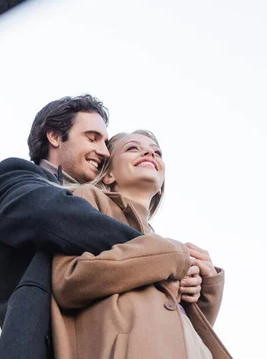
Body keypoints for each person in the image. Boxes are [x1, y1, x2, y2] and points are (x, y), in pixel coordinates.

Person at [0, 95, 143, 358]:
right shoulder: (14, 176)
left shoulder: (101, 207)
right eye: (92, 138)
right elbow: (58, 216)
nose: (104, 152)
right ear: (55, 137)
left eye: (105, 142)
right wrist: (155, 250)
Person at [51, 130, 231, 359]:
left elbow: (173, 332)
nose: (150, 153)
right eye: (132, 148)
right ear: (108, 175)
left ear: (159, 188)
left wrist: (204, 291)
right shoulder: (89, 199)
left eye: (157, 152)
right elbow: (69, 281)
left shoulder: (161, 249)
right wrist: (171, 255)